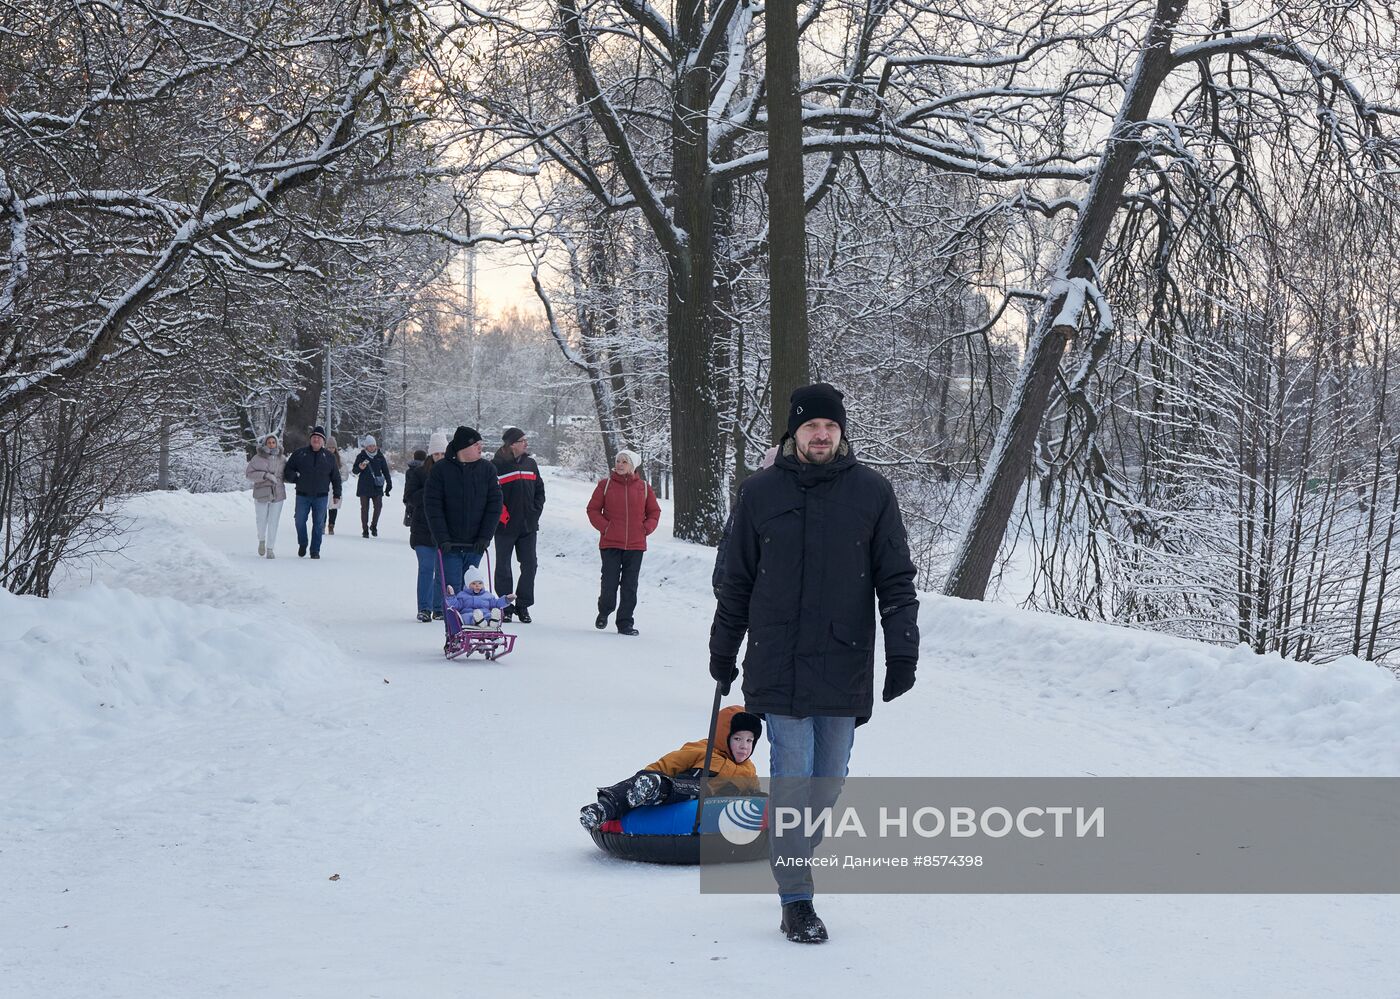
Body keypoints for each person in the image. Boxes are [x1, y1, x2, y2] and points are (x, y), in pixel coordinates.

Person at [709, 383, 920, 944]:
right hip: (777, 664)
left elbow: (896, 580)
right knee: (794, 780)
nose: (820, 435)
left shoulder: (872, 493)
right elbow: (735, 583)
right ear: (793, 433)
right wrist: (722, 651)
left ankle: (792, 850)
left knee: (827, 786)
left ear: (841, 431)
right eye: (810, 427)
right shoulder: (758, 494)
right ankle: (796, 898)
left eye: (829, 426)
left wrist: (902, 649)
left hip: (844, 663)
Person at [579, 706, 762, 830]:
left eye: (749, 740)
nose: (744, 746)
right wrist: (648, 775)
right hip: (680, 785)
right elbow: (671, 763)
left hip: (705, 796)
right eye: (737, 739)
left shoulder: (748, 770)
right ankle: (602, 809)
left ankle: (653, 792)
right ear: (723, 736)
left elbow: (754, 795)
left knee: (691, 790)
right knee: (660, 785)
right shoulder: (703, 750)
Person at [423, 425, 502, 599]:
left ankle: (472, 623)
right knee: (452, 590)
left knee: (472, 589)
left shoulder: (488, 470)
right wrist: (442, 538)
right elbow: (433, 507)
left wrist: (485, 537)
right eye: (476, 445)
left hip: (475, 545)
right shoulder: (440, 470)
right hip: (450, 544)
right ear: (463, 448)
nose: (481, 448)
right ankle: (453, 624)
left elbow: (494, 506)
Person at [586, 449, 660, 636]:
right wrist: (606, 527)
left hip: (635, 545)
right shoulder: (606, 484)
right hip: (610, 543)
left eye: (624, 462)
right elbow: (593, 510)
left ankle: (625, 623)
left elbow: (654, 512)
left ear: (632, 466)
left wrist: (646, 528)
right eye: (618, 461)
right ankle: (605, 610)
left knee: (630, 586)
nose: (619, 464)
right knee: (609, 583)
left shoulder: (643, 487)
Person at [492, 427, 545, 623]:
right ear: (511, 444)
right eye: (522, 440)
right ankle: (505, 605)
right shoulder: (496, 466)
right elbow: (493, 497)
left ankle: (523, 605)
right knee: (503, 567)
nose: (526, 443)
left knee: (530, 565)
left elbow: (540, 490)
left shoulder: (531, 463)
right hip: (505, 526)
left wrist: (534, 512)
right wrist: (501, 516)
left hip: (528, 526)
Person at [282, 425, 343, 559]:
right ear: (311, 439)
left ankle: (315, 550)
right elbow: (288, 470)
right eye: (314, 437)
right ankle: (303, 543)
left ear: (323, 442)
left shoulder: (329, 457)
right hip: (302, 495)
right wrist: (296, 478)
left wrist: (337, 494)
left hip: (321, 496)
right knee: (299, 521)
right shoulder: (300, 453)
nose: (316, 440)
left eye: (319, 438)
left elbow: (336, 478)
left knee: (318, 524)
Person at [404, 433, 446, 622]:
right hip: (422, 528)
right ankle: (424, 608)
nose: (440, 458)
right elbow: (409, 498)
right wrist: (429, 489)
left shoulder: (452, 473)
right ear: (430, 455)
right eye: (436, 454)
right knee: (426, 568)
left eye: (443, 454)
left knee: (442, 571)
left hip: (444, 530)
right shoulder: (420, 473)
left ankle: (439, 607)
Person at [244, 433, 287, 559]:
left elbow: (287, 473)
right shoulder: (257, 458)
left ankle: (270, 548)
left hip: (278, 493)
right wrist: (265, 475)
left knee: (274, 522)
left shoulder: (282, 458)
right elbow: (249, 474)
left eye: (274, 442)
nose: (271, 444)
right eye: (269, 442)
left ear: (277, 444)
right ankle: (261, 540)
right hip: (262, 492)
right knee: (261, 520)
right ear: (265, 444)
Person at [443, 567, 515, 628]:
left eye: (480, 583)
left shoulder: (487, 595)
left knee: (489, 614)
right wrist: (451, 596)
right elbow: (456, 606)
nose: (477, 586)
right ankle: (478, 621)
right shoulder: (462, 595)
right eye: (473, 583)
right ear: (468, 585)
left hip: (484, 614)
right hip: (469, 614)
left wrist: (506, 599)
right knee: (466, 617)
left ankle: (493, 621)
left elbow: (496, 604)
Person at [352, 435, 393, 538]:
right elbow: (354, 470)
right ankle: (365, 530)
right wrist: (360, 467)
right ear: (366, 447)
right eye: (370, 446)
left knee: (378, 506)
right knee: (364, 508)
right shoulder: (361, 456)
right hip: (364, 486)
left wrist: (389, 483)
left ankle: (373, 526)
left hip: (376, 486)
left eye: (373, 445)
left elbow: (385, 471)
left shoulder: (380, 456)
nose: (372, 448)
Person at [324, 433, 344, 535]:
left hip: (335, 486)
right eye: (329, 447)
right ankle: (321, 524)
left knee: (333, 506)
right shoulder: (322, 456)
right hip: (324, 485)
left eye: (333, 447)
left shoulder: (339, 459)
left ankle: (331, 525)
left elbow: (345, 473)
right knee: (322, 505)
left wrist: (339, 478)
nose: (331, 449)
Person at [403, 449, 426, 527]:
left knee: (412, 516)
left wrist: (405, 498)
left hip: (411, 497)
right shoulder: (426, 469)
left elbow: (407, 485)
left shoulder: (409, 471)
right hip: (422, 497)